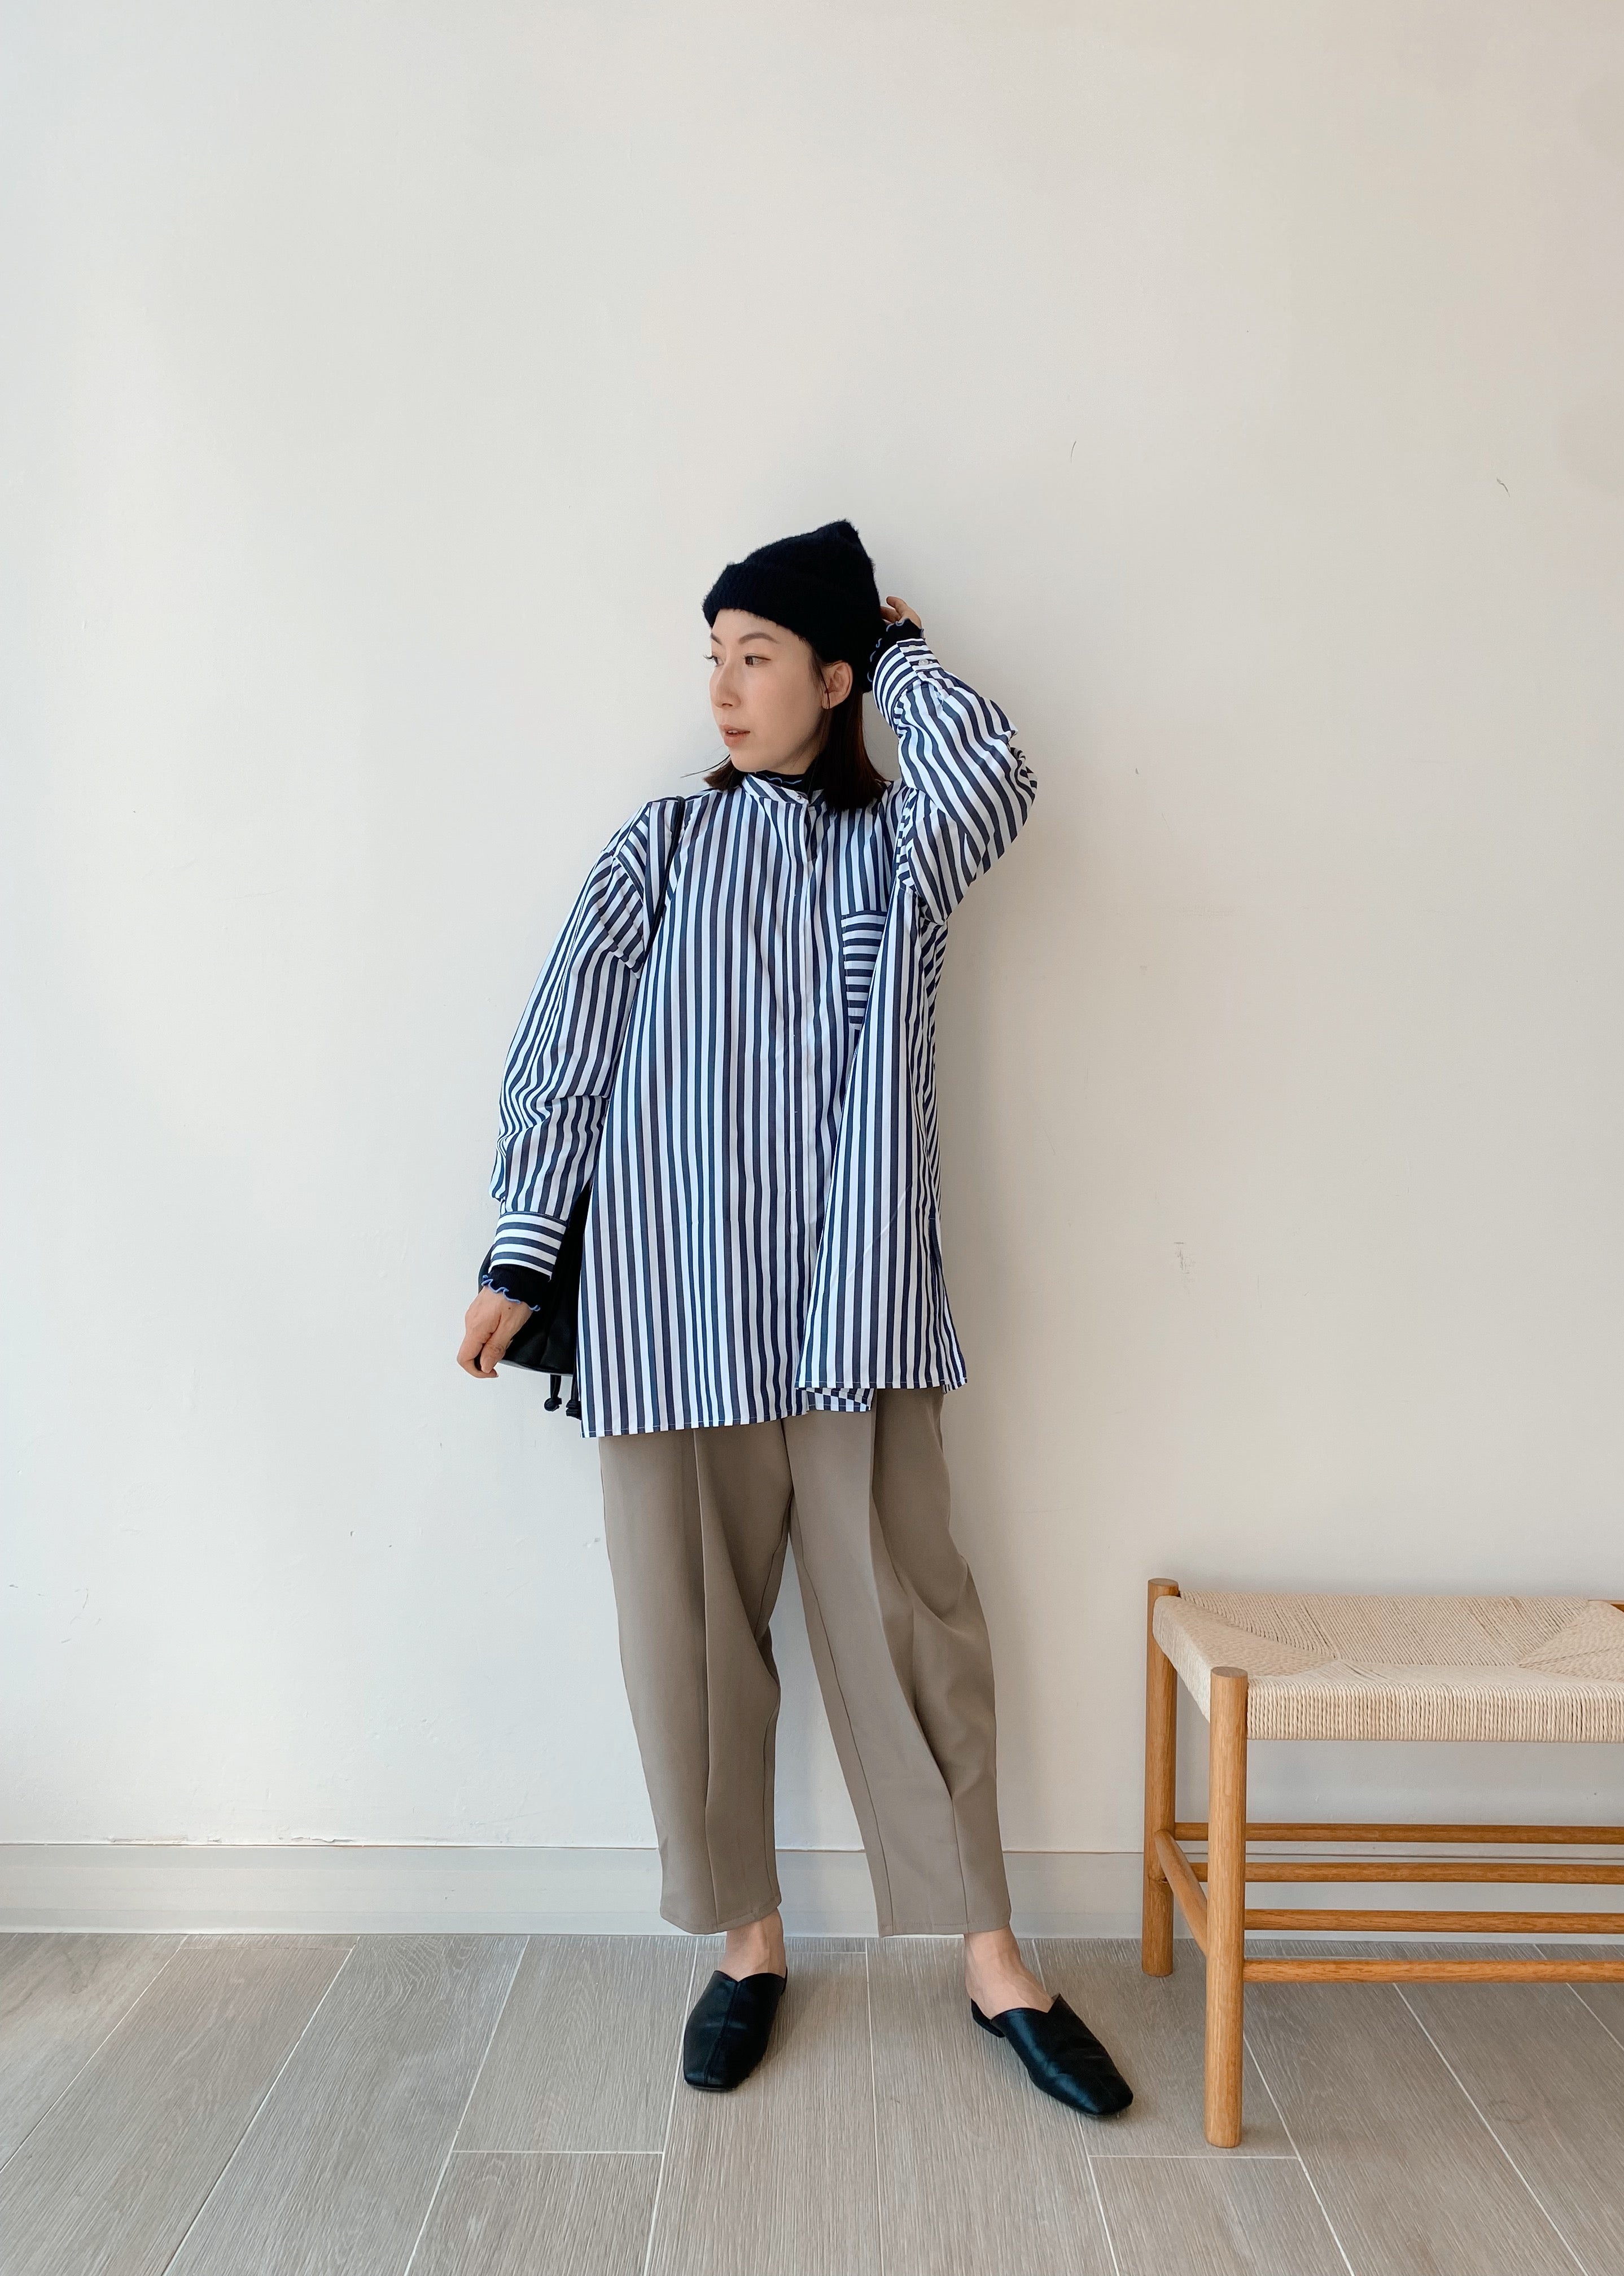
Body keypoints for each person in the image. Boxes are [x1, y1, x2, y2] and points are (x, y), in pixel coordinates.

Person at [458, 519, 1131, 2115]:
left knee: (917, 1627)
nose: (723, 688)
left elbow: (996, 780)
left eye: (757, 656)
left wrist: (901, 654)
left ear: (833, 679)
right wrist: (521, 1249)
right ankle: (746, 1946)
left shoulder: (904, 847)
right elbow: (565, 1046)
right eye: (715, 656)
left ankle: (991, 1958)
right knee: (687, 1639)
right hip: (671, 1299)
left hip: (854, 1309)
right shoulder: (662, 847)